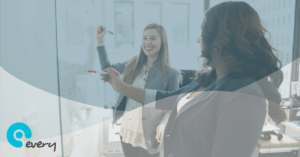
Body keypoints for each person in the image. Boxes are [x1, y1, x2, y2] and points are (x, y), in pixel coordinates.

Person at [101, 2, 287, 157]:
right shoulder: (208, 80)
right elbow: (165, 98)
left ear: (222, 38)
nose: (199, 39)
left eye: (203, 31)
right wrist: (122, 88)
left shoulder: (244, 95)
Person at [96, 23, 181, 157]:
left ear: (162, 42)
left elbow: (172, 108)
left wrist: (163, 125)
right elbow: (107, 67)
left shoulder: (172, 74)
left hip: (149, 137)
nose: (147, 42)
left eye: (153, 38)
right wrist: (100, 40)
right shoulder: (133, 63)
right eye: (144, 38)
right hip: (127, 132)